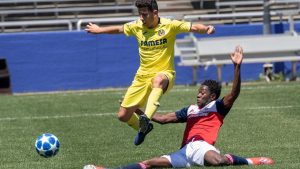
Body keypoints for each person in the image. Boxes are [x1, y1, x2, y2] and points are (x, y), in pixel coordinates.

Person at [83, 46, 274, 169]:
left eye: (203, 92)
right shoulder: (190, 110)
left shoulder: (218, 107)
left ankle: (252, 160)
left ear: (212, 96)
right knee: (150, 163)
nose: (199, 94)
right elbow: (163, 119)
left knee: (219, 161)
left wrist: (237, 67)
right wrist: (137, 110)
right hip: (184, 152)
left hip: (201, 147)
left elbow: (234, 93)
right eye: (199, 91)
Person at [85, 0, 215, 145]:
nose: (141, 17)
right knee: (123, 115)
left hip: (165, 74)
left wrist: (206, 28)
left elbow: (194, 27)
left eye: (144, 14)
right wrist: (99, 30)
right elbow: (119, 29)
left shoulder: (170, 25)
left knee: (158, 80)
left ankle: (146, 118)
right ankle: (144, 128)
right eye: (140, 14)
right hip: (142, 76)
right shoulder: (137, 26)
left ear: (155, 12)